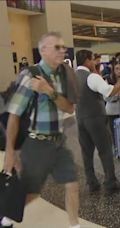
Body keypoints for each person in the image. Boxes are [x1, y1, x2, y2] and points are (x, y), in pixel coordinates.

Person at [2, 32, 80, 228]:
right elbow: (14, 115)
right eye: (57, 47)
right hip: (36, 143)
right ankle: (5, 218)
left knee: (72, 184)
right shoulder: (29, 75)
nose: (62, 51)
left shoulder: (63, 74)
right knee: (31, 193)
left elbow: (69, 108)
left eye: (63, 47)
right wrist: (10, 151)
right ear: (43, 50)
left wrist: (48, 91)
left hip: (59, 142)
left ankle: (74, 225)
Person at [75, 49, 120, 194]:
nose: (96, 62)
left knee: (86, 152)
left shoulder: (73, 76)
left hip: (80, 118)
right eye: (93, 59)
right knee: (105, 149)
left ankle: (91, 182)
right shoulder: (92, 77)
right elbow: (108, 91)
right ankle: (110, 181)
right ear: (87, 60)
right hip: (95, 118)